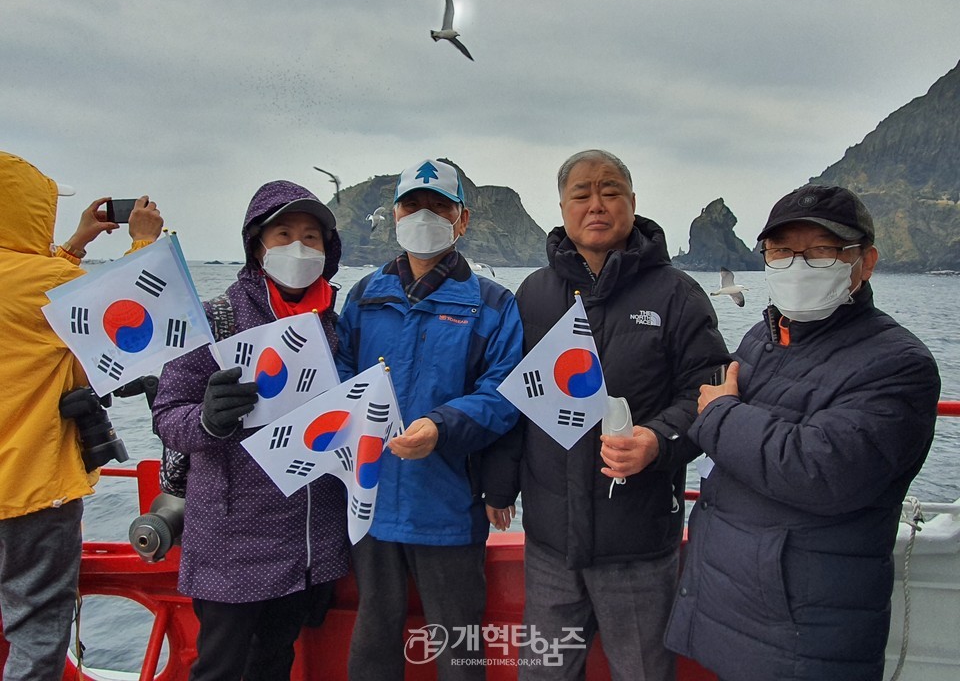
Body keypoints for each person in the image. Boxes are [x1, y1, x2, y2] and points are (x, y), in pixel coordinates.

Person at [664, 185, 941, 681]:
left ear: (865, 262)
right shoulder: (763, 336)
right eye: (782, 252)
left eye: (820, 251)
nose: (797, 265)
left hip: (806, 633)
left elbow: (821, 470)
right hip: (735, 613)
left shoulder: (900, 364)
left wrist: (722, 414)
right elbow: (716, 420)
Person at [483, 149, 729, 680]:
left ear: (633, 203)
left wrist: (659, 441)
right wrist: (500, 487)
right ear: (563, 207)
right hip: (549, 541)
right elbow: (514, 399)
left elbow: (708, 391)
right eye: (582, 193)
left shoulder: (678, 294)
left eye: (611, 190)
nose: (597, 203)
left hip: (638, 544)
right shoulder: (534, 293)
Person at [152, 180, 349, 681]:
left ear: (329, 251)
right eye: (282, 234)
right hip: (230, 543)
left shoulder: (336, 326)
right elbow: (167, 413)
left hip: (310, 538)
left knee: (274, 662)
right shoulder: (215, 319)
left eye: (312, 237)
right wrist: (207, 419)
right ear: (256, 246)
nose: (298, 248)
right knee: (220, 668)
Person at [336, 158, 524, 680]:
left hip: (447, 504)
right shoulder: (362, 296)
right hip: (368, 503)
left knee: (459, 646)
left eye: (439, 206)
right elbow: (339, 375)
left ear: (462, 220)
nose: (425, 215)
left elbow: (503, 394)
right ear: (394, 215)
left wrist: (443, 424)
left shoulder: (493, 304)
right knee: (373, 635)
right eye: (412, 205)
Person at [0, 151, 162, 680]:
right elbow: (131, 317)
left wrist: (74, 246)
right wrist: (144, 241)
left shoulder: (36, 281)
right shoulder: (41, 283)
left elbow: (38, 300)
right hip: (28, 487)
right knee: (37, 626)